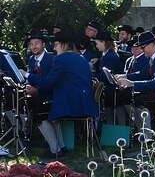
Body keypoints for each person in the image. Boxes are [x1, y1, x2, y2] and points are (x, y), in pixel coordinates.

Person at [21, 30, 98, 158]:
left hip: (73, 103)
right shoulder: (80, 57)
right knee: (46, 106)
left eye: (56, 44)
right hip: (84, 102)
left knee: (39, 111)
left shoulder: (62, 59)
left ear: (63, 45)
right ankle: (61, 147)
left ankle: (55, 149)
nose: (54, 47)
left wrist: (27, 75)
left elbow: (48, 82)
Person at [94, 31, 124, 124]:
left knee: (110, 113)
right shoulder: (106, 55)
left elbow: (104, 76)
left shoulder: (110, 56)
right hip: (109, 90)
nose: (96, 46)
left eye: (97, 43)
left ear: (103, 42)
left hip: (112, 91)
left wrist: (93, 75)